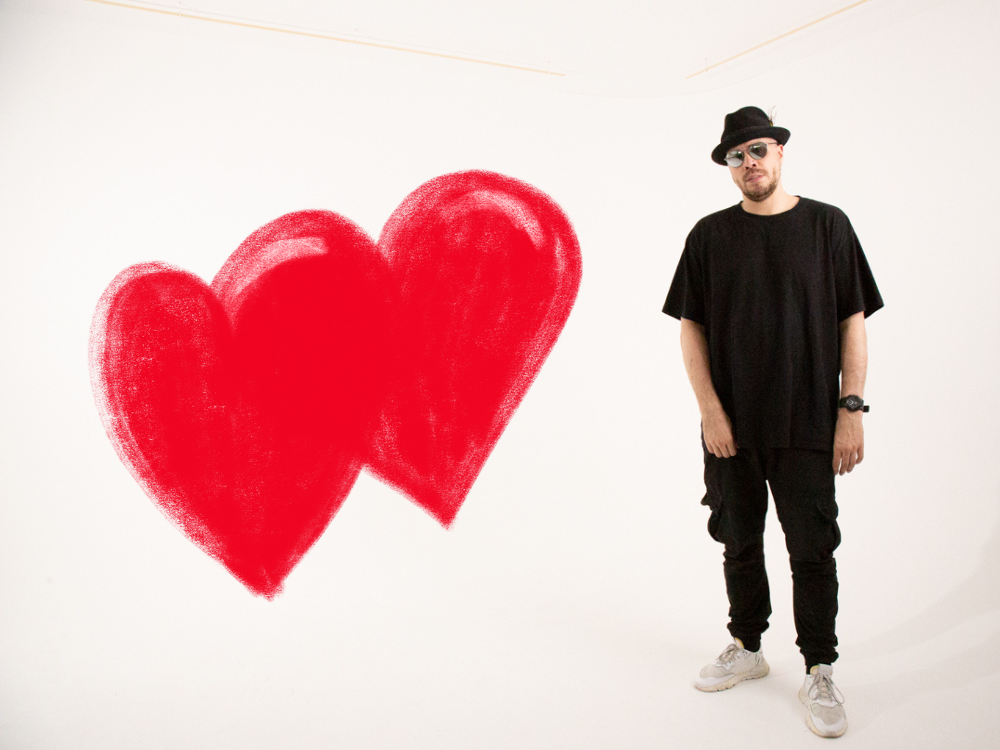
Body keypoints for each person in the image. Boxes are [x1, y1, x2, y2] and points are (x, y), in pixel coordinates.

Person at [661, 106, 883, 739]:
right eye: (736, 156)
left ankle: (819, 668)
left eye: (757, 149)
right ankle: (748, 646)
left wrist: (851, 409)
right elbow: (691, 327)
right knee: (738, 542)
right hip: (731, 426)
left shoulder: (827, 225)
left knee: (812, 550)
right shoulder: (708, 236)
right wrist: (710, 411)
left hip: (808, 422)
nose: (749, 163)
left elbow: (852, 322)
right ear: (728, 168)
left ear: (780, 151)